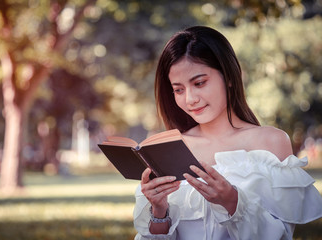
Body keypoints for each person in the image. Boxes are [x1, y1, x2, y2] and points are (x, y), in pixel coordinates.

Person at [133, 26, 322, 240]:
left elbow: (282, 235)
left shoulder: (271, 142)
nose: (190, 99)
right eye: (178, 89)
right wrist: (159, 211)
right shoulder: (169, 148)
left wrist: (232, 202)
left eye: (199, 83)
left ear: (230, 76)